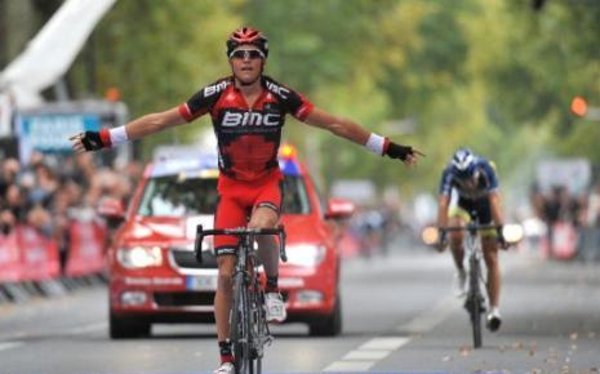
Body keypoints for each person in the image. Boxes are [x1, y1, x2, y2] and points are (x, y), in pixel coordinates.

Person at [70, 26, 424, 374]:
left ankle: (271, 287)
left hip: (266, 185)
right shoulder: (214, 95)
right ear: (231, 61)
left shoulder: (280, 96)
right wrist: (103, 138)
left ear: (263, 61)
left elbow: (335, 124)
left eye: (253, 54)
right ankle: (226, 358)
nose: (246, 60)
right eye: (239, 55)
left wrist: (389, 148)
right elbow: (160, 121)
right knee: (224, 274)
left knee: (261, 227)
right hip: (231, 190)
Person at [435, 147, 507, 332]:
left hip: (486, 207)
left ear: (475, 171)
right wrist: (442, 233)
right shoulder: (449, 173)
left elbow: (495, 202)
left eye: (470, 179)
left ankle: (494, 310)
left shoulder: (485, 168)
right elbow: (443, 202)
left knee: (491, 256)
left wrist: (500, 232)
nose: (467, 184)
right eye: (462, 180)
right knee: (455, 231)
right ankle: (461, 271)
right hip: (463, 207)